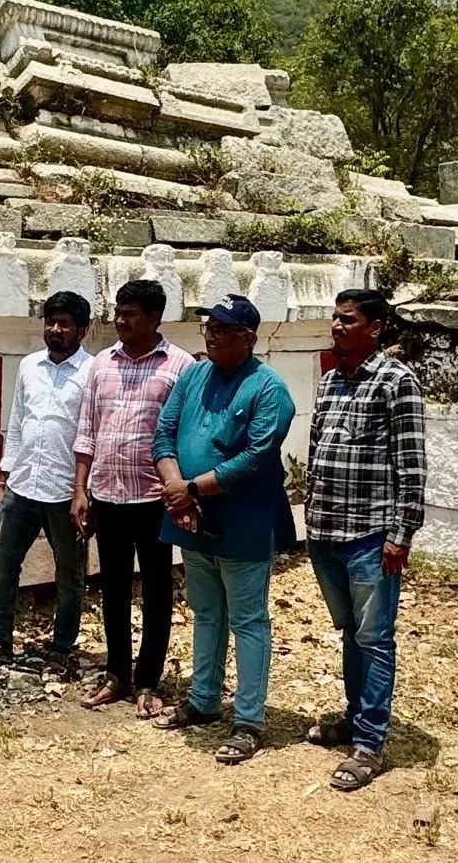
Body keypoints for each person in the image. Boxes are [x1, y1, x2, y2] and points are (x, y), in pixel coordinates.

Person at [147, 294, 296, 764]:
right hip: (188, 514)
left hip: (243, 520)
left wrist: (190, 489)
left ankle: (249, 719)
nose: (210, 335)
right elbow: (164, 433)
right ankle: (204, 699)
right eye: (209, 327)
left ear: (248, 339)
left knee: (248, 619)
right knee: (206, 612)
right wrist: (177, 489)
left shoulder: (269, 390)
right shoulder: (192, 376)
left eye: (223, 330)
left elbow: (255, 456)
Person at [302, 288, 426, 792]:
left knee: (374, 638)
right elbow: (316, 452)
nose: (337, 325)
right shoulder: (331, 381)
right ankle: (354, 719)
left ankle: (370, 743)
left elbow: (411, 466)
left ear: (374, 329)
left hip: (370, 537)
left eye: (348, 319)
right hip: (326, 532)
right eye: (335, 317)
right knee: (350, 633)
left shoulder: (396, 383)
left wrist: (400, 535)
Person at [73, 280, 196, 715]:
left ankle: (148, 680)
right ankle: (117, 674)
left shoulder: (180, 366)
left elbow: (186, 434)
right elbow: (87, 431)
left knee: (159, 590)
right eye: (118, 313)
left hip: (154, 498)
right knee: (113, 589)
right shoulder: (102, 364)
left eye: (130, 314)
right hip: (107, 494)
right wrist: (79, 490)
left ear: (155, 318)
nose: (120, 321)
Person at [0, 291, 94, 669]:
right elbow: (17, 424)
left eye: (65, 323)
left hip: (65, 491)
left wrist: (82, 491)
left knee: (69, 575)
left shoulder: (94, 372)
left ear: (82, 330)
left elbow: (93, 435)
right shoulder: (29, 366)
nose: (55, 329)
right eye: (50, 322)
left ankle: (60, 647)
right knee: (4, 567)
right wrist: (2, 481)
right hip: (22, 485)